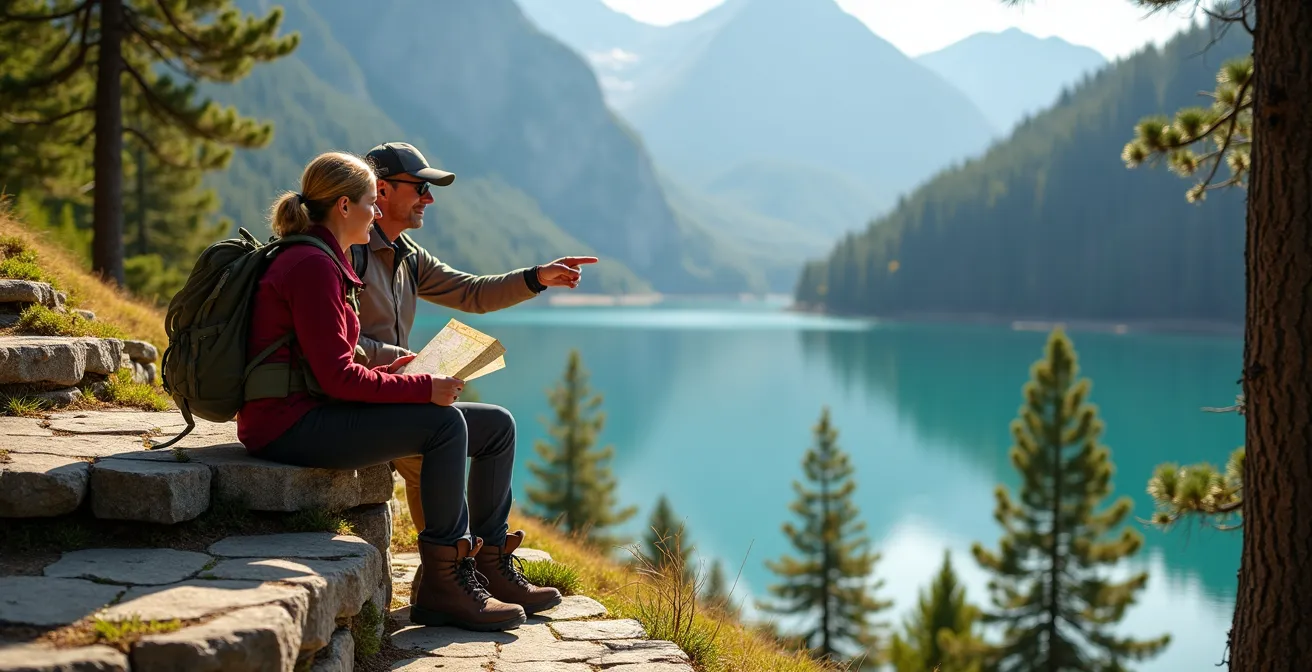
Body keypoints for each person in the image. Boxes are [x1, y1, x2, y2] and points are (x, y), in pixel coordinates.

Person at [237, 150, 539, 633]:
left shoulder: (329, 260)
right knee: (442, 424)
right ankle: (444, 584)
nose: (375, 212)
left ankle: (485, 565)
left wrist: (394, 369)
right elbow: (336, 376)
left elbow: (333, 358)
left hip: (316, 409)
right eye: (368, 204)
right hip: (290, 424)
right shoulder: (313, 266)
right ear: (343, 206)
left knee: (497, 425)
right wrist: (421, 386)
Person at [351, 141, 595, 614]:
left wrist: (536, 277)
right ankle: (452, 578)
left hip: (399, 394)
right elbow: (330, 344)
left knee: (497, 424)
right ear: (381, 190)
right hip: (362, 395)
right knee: (439, 438)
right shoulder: (350, 251)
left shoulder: (406, 255)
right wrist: (400, 357)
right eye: (420, 187)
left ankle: (481, 562)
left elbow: (472, 293)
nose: (429, 198)